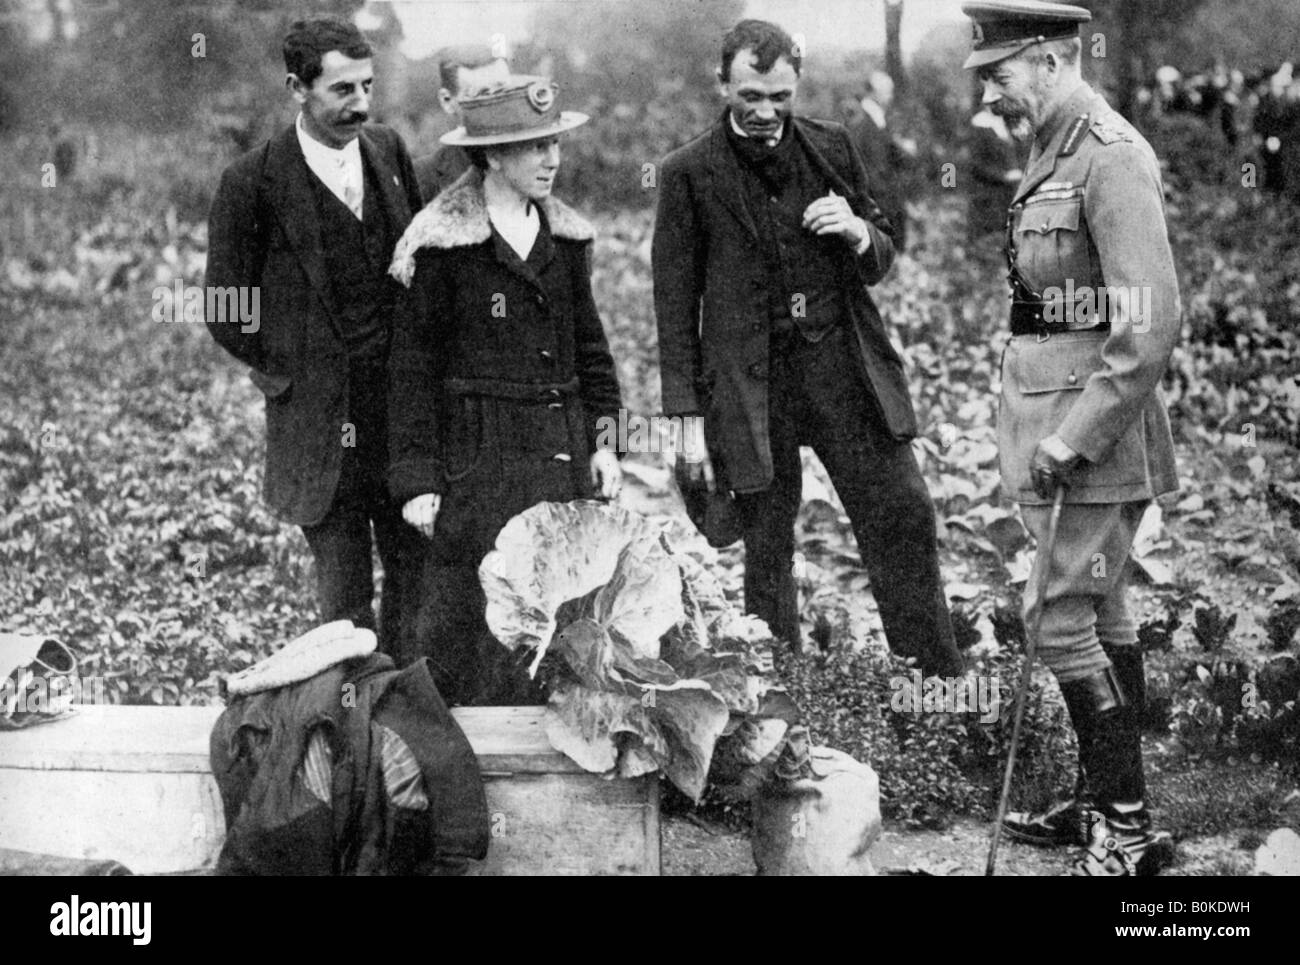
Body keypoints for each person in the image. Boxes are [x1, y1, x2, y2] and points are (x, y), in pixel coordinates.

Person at [653, 19, 963, 680]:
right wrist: (681, 420)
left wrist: (856, 231)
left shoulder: (832, 147)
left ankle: (937, 693)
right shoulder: (686, 174)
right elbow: (673, 305)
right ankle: (782, 707)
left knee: (902, 514)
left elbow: (882, 246)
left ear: (797, 85)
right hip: (750, 390)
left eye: (780, 96)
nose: (766, 113)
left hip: (841, 376)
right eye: (750, 97)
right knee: (767, 551)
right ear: (723, 85)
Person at [961, 0, 1181, 876]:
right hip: (1053, 425)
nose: (990, 97)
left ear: (1052, 60)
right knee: (1102, 609)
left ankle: (1126, 837)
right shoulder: (1051, 147)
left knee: (1054, 618)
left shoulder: (1110, 155)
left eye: (1001, 76)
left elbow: (1148, 323)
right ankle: (1104, 806)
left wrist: (1075, 437)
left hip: (1091, 443)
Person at [386, 76, 624, 706]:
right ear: (491, 155)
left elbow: (592, 353)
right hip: (478, 461)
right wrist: (418, 480)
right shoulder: (439, 243)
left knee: (557, 619)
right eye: (532, 147)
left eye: (554, 143)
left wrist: (605, 443)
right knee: (475, 622)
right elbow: (411, 373)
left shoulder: (566, 240)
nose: (552, 160)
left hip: (558, 451)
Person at [205, 15, 426, 654]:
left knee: (414, 577)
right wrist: (294, 366)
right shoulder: (251, 182)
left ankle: (407, 719)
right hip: (316, 427)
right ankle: (351, 730)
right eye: (342, 90)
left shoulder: (389, 152)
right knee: (345, 606)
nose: (361, 103)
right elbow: (226, 308)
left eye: (366, 86)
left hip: (397, 416)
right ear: (297, 88)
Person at [411, 45, 510, 202]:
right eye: (481, 97)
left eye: (504, 92)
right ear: (447, 101)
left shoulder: (541, 164)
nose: (497, 106)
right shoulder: (419, 179)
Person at [847, 70, 917, 251]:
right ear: (873, 92)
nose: (890, 96)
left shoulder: (877, 114)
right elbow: (860, 158)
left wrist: (901, 149)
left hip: (884, 188)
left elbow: (885, 147)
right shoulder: (861, 118)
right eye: (887, 91)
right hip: (875, 191)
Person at [967, 105, 1023, 240]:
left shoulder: (1005, 123)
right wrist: (1004, 176)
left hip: (1009, 194)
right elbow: (976, 164)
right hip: (989, 195)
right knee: (991, 239)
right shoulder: (980, 125)